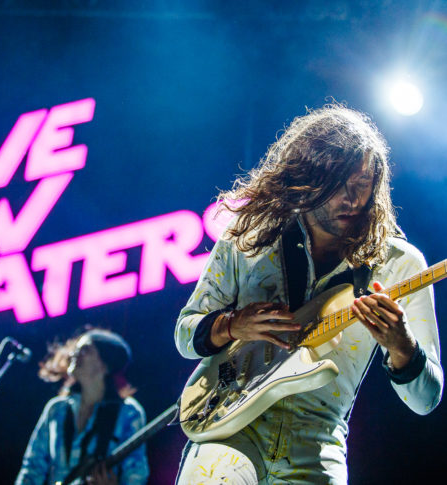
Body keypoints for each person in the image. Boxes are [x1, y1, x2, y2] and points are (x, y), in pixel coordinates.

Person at [174, 104, 443, 484]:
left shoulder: (401, 264)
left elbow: (426, 399)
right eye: (338, 181)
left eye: (363, 182)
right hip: (229, 429)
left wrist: (402, 347)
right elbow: (186, 334)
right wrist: (232, 325)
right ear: (305, 175)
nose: (351, 197)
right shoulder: (248, 236)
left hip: (318, 443)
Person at [15, 328, 149, 485]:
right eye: (75, 349)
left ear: (105, 364)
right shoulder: (56, 409)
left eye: (84, 349)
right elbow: (32, 468)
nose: (73, 354)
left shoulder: (129, 412)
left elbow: (136, 475)